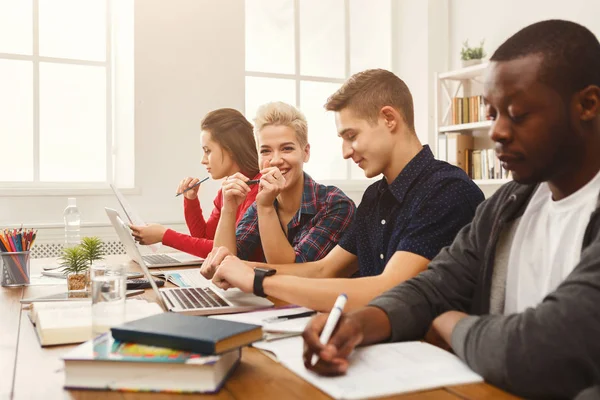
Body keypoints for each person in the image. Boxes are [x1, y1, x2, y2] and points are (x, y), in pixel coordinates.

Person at [301, 20, 600, 399]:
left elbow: (537, 352)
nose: (497, 133)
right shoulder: (507, 204)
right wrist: (357, 325)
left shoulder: (450, 191)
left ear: (588, 104)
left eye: (518, 114)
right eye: (493, 115)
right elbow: (433, 287)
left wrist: (448, 322)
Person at [202, 70, 484, 312]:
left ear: (389, 118)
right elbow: (324, 270)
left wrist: (257, 279)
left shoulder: (447, 190)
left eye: (352, 136)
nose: (346, 152)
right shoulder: (375, 197)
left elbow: (390, 290)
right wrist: (235, 267)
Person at [211, 101, 355, 264]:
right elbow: (222, 262)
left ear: (305, 152)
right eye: (265, 151)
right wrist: (228, 209)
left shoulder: (335, 204)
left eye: (287, 148)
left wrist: (265, 208)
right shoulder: (262, 204)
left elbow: (292, 272)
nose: (275, 160)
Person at [129, 108, 262, 259]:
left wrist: (164, 236)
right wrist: (191, 201)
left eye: (208, 151)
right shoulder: (226, 191)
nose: (203, 160)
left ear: (231, 149)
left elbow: (220, 251)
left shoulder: (259, 188)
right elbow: (206, 238)